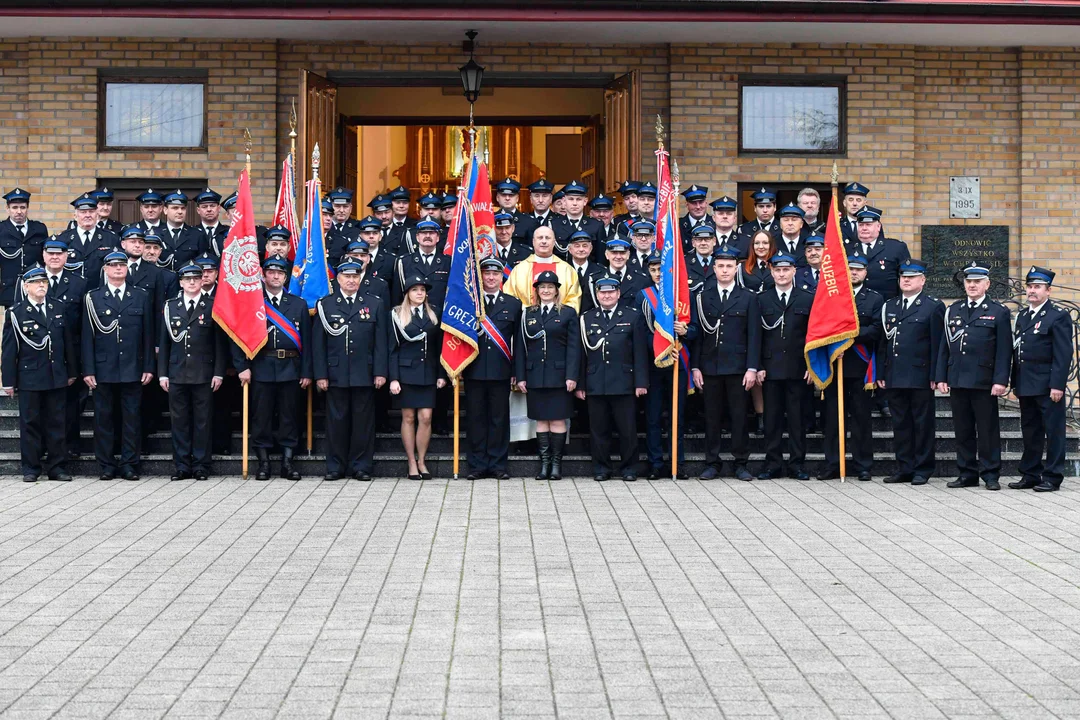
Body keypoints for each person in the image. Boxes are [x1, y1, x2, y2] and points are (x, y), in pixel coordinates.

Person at [233, 255, 312, 481]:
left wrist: (307, 372)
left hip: (291, 368)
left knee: (290, 417)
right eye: (271, 272)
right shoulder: (253, 303)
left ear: (286, 277)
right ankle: (264, 463)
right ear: (263, 275)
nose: (275, 276)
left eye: (280, 273)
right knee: (261, 417)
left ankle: (288, 462)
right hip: (260, 367)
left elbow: (307, 342)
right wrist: (242, 366)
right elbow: (239, 337)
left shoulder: (298, 304)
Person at [935, 262, 1012, 491]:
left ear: (987, 284)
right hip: (957, 378)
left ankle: (990, 474)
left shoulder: (998, 312)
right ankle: (967, 473)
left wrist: (1000, 380)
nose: (972, 285)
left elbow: (1004, 350)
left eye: (977, 282)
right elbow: (944, 346)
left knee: (987, 430)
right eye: (968, 281)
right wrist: (941, 376)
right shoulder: (954, 309)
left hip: (984, 381)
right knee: (963, 429)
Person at [81, 250, 155, 481]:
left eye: (121, 265)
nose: (118, 269)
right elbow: (86, 337)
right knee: (103, 419)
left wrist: (148, 367)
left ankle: (129, 464)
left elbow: (148, 336)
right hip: (103, 369)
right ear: (105, 269)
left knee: (131, 419)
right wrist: (89, 369)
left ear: (127, 269)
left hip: (133, 368)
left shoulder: (140, 296)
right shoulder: (93, 298)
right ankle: (106, 465)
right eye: (112, 266)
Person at [1, 266, 77, 482]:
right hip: (29, 376)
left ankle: (57, 467)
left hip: (56, 374)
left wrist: (71, 371)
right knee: (30, 424)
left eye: (44, 282)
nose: (42, 285)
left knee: (56, 422)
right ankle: (31, 468)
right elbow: (9, 350)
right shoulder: (16, 312)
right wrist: (8, 381)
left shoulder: (57, 307)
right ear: (26, 287)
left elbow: (67, 344)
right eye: (36, 282)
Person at [314, 259, 388, 481]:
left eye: (355, 276)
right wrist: (320, 375)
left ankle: (361, 466)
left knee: (363, 424)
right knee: (336, 423)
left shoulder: (374, 304)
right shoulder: (325, 305)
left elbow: (381, 342)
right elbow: (318, 345)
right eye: (347, 276)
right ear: (338, 279)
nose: (351, 280)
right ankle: (335, 466)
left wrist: (380, 371)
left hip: (364, 373)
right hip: (335, 374)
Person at [692, 244, 761, 481]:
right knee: (711, 417)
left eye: (729, 266)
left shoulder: (748, 297)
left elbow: (754, 335)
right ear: (713, 268)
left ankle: (740, 463)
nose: (724, 270)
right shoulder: (702, 297)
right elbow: (698, 335)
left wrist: (752, 367)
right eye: (720, 266)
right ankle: (712, 462)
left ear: (736, 268)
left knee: (739, 417)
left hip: (738, 368)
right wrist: (695, 366)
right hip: (710, 367)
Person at [576, 275, 649, 481]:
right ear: (597, 295)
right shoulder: (586, 318)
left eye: (611, 292)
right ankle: (601, 468)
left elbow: (640, 353)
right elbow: (581, 355)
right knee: (599, 430)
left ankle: (629, 469)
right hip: (595, 382)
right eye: (602, 292)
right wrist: (580, 384)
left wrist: (641, 382)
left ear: (618, 294)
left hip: (624, 382)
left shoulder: (632, 316)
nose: (606, 295)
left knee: (627, 430)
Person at [878, 261, 945, 486]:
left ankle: (922, 468)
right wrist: (881, 371)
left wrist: (937, 374)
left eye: (912, 277)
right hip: (894, 374)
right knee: (901, 424)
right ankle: (904, 467)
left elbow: (938, 344)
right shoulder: (891, 305)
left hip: (921, 375)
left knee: (922, 424)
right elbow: (883, 342)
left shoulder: (933, 306)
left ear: (923, 280)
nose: (906, 280)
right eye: (903, 277)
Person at [158, 263, 226, 482]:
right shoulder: (170, 306)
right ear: (181, 282)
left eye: (196, 279)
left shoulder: (212, 305)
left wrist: (218, 373)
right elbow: (164, 343)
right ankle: (181, 465)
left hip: (204, 373)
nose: (192, 282)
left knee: (202, 421)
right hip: (177, 373)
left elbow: (219, 344)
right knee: (179, 422)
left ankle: (201, 465)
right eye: (188, 279)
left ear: (202, 281)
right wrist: (162, 373)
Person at [819, 255, 884, 482]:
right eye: (850, 269)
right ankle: (833, 463)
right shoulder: (832, 296)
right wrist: (834, 344)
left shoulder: (875, 299)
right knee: (832, 418)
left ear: (866, 272)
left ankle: (863, 464)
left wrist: (848, 338)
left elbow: (876, 329)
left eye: (858, 269)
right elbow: (822, 326)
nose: (854, 273)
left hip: (860, 366)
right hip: (835, 365)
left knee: (861, 418)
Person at [1009, 265, 1074, 492]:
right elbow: (1018, 353)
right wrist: (1014, 382)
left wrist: (1057, 384)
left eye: (1037, 287)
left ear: (1048, 290)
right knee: (1031, 431)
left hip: (1048, 386)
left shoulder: (1058, 316)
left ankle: (1053, 476)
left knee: (1054, 432)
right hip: (1026, 384)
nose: (1032, 291)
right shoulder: (1024, 316)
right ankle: (1030, 474)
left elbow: (1063, 354)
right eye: (1029, 286)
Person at [515, 270, 580, 480]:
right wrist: (521, 376)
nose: (546, 290)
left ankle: (556, 465)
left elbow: (574, 348)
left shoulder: (568, 313)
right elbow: (521, 347)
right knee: (541, 421)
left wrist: (572, 376)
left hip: (560, 376)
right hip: (535, 376)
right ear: (536, 290)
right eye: (542, 287)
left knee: (558, 420)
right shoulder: (528, 313)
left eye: (550, 287)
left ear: (556, 290)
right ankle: (544, 464)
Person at [638, 252, 698, 479]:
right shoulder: (642, 296)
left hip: (678, 363)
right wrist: (660, 350)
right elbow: (641, 332)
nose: (656, 275)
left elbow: (697, 330)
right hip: (654, 365)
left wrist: (686, 332)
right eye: (653, 270)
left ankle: (677, 463)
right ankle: (655, 464)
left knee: (677, 417)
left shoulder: (681, 296)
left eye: (660, 271)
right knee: (653, 418)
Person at [755, 254, 813, 480]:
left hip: (799, 369)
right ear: (771, 272)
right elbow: (756, 336)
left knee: (798, 420)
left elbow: (813, 335)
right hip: (770, 369)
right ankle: (773, 464)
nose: (781, 274)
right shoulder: (761, 299)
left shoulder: (807, 298)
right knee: (772, 420)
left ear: (794, 272)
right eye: (777, 270)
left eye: (786, 270)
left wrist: (813, 365)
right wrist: (757, 365)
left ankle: (797, 464)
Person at [464, 257, 521, 480]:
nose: (490, 277)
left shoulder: (513, 304)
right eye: (486, 273)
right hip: (474, 370)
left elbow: (519, 343)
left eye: (495, 274)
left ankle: (498, 464)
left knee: (499, 419)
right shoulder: (469, 303)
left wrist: (517, 371)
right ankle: (477, 465)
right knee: (476, 419)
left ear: (501, 277)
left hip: (501, 371)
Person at [390, 275, 447, 480]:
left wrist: (442, 374)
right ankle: (411, 461)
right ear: (407, 293)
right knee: (409, 417)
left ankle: (422, 460)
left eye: (422, 290)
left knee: (426, 417)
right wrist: (393, 378)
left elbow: (440, 347)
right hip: (406, 373)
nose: (419, 293)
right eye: (415, 290)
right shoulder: (397, 314)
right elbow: (392, 349)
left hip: (429, 373)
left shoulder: (434, 314)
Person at [40, 238, 87, 457]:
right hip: (40, 353)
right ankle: (43, 447)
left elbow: (85, 324)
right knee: (43, 403)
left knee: (71, 403)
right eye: (51, 253)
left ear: (67, 257)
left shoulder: (79, 283)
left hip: (71, 353)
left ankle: (70, 445)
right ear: (44, 255)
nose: (55, 257)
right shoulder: (32, 281)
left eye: (60, 254)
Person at [502, 225, 582, 312]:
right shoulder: (519, 269)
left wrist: (556, 316)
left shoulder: (567, 270)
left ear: (554, 241)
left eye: (547, 238)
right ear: (533, 241)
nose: (544, 241)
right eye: (540, 238)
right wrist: (528, 314)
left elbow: (574, 300)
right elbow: (510, 299)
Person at [0, 188, 49, 309]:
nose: (19, 211)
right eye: (14, 207)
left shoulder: (39, 229)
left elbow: (45, 259)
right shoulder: (1, 230)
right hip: (10, 288)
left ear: (27, 208)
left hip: (35, 286)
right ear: (8, 209)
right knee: (12, 323)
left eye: (22, 207)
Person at [57, 193, 117, 287]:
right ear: (75, 216)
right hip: (70, 293)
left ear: (97, 215)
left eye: (91, 211)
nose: (88, 215)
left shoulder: (111, 238)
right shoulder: (62, 239)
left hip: (100, 294)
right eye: (83, 212)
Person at [849, 206, 909, 301]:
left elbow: (906, 278)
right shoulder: (846, 249)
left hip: (887, 304)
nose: (864, 228)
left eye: (868, 225)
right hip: (855, 306)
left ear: (878, 227)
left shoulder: (896, 248)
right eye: (860, 225)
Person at [552, 180, 606, 260]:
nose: (574, 203)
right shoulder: (554, 224)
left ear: (585, 201)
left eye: (578, 199)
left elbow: (601, 257)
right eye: (571, 199)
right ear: (564, 201)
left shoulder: (596, 226)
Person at [160, 190, 206, 269]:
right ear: (165, 210)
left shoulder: (197, 235)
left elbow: (203, 263)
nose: (180, 212)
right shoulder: (156, 233)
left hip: (189, 280)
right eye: (175, 208)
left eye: (183, 208)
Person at [514, 178, 556, 245]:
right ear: (531, 199)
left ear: (551, 198)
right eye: (536, 196)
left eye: (544, 196)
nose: (540, 200)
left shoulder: (559, 221)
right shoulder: (523, 220)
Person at [679, 185, 712, 253]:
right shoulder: (678, 225)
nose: (698, 207)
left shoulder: (715, 223)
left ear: (706, 203)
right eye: (694, 203)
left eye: (701, 202)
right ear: (687, 205)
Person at [195, 187, 229, 254]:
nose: (209, 209)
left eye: (212, 206)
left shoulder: (229, 232)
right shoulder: (192, 233)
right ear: (198, 210)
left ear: (219, 208)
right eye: (204, 207)